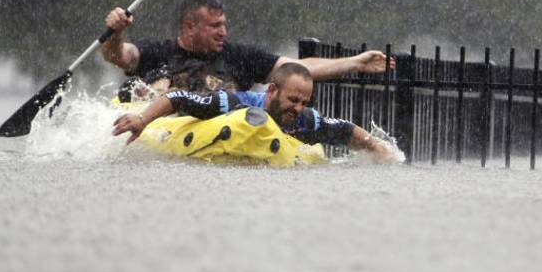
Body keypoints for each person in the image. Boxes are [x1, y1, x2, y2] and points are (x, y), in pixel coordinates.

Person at [112, 62, 399, 164]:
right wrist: (142, 119)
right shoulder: (234, 102)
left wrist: (376, 147)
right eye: (293, 99)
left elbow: (344, 129)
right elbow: (177, 97)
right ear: (272, 91)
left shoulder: (303, 120)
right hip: (196, 132)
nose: (298, 108)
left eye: (305, 101)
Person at [101, 0, 391, 93]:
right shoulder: (157, 52)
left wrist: (355, 63)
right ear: (190, 26)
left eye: (224, 24)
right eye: (215, 26)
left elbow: (298, 68)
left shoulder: (240, 57)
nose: (223, 32)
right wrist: (115, 32)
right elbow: (119, 56)